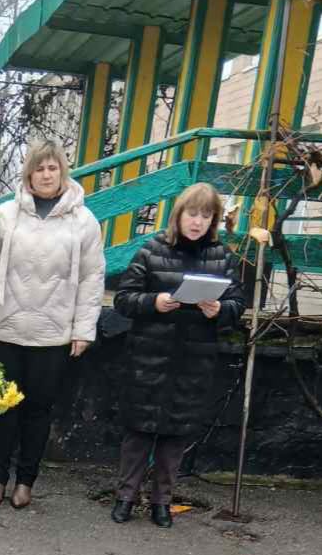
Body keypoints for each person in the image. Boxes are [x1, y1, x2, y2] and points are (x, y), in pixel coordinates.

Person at [0, 139, 106, 510]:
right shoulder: (3, 217)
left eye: (52, 168)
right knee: (1, 407)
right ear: (29, 173)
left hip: (52, 333)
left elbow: (93, 277)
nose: (46, 174)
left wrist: (83, 328)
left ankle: (26, 481)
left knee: (38, 410)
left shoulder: (83, 222)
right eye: (39, 168)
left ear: (62, 172)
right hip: (4, 328)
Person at [111, 183, 245, 528]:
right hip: (148, 358)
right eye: (192, 213)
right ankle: (126, 497)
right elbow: (123, 298)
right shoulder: (152, 249)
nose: (197, 222)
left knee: (175, 436)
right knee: (138, 434)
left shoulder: (222, 256)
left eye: (205, 215)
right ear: (179, 215)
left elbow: (238, 303)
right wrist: (153, 303)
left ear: (213, 220)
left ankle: (162, 502)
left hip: (193, 361)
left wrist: (221, 309)